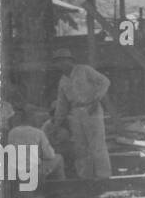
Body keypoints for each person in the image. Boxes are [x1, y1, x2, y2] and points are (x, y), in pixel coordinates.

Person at [52, 48, 112, 179]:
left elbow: (105, 81)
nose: (61, 64)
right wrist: (56, 124)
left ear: (69, 61)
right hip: (75, 113)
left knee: (97, 144)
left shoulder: (84, 70)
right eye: (58, 62)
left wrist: (96, 100)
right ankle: (85, 178)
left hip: (92, 109)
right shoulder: (62, 81)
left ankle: (104, 177)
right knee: (80, 148)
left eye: (63, 61)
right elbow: (61, 104)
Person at [6, 105, 65, 181]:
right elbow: (50, 155)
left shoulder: (12, 132)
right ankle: (59, 187)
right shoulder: (38, 133)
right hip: (33, 170)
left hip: (16, 170)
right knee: (59, 158)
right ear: (32, 119)